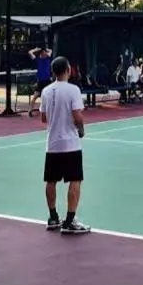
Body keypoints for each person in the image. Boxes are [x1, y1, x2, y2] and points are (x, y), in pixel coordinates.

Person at [39, 56, 90, 235]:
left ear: (53, 71)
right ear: (68, 69)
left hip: (52, 144)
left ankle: (53, 217)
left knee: (51, 181)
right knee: (75, 179)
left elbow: (44, 118)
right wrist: (81, 129)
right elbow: (77, 114)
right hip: (70, 144)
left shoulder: (45, 91)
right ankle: (69, 221)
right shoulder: (73, 90)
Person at [26, 47, 52, 117]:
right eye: (43, 53)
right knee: (35, 97)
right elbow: (30, 52)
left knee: (50, 97)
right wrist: (36, 49)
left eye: (45, 53)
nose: (45, 54)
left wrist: (46, 50)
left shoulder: (48, 58)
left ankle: (49, 111)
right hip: (41, 82)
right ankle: (30, 111)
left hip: (48, 82)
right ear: (41, 54)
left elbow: (50, 51)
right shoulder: (37, 60)